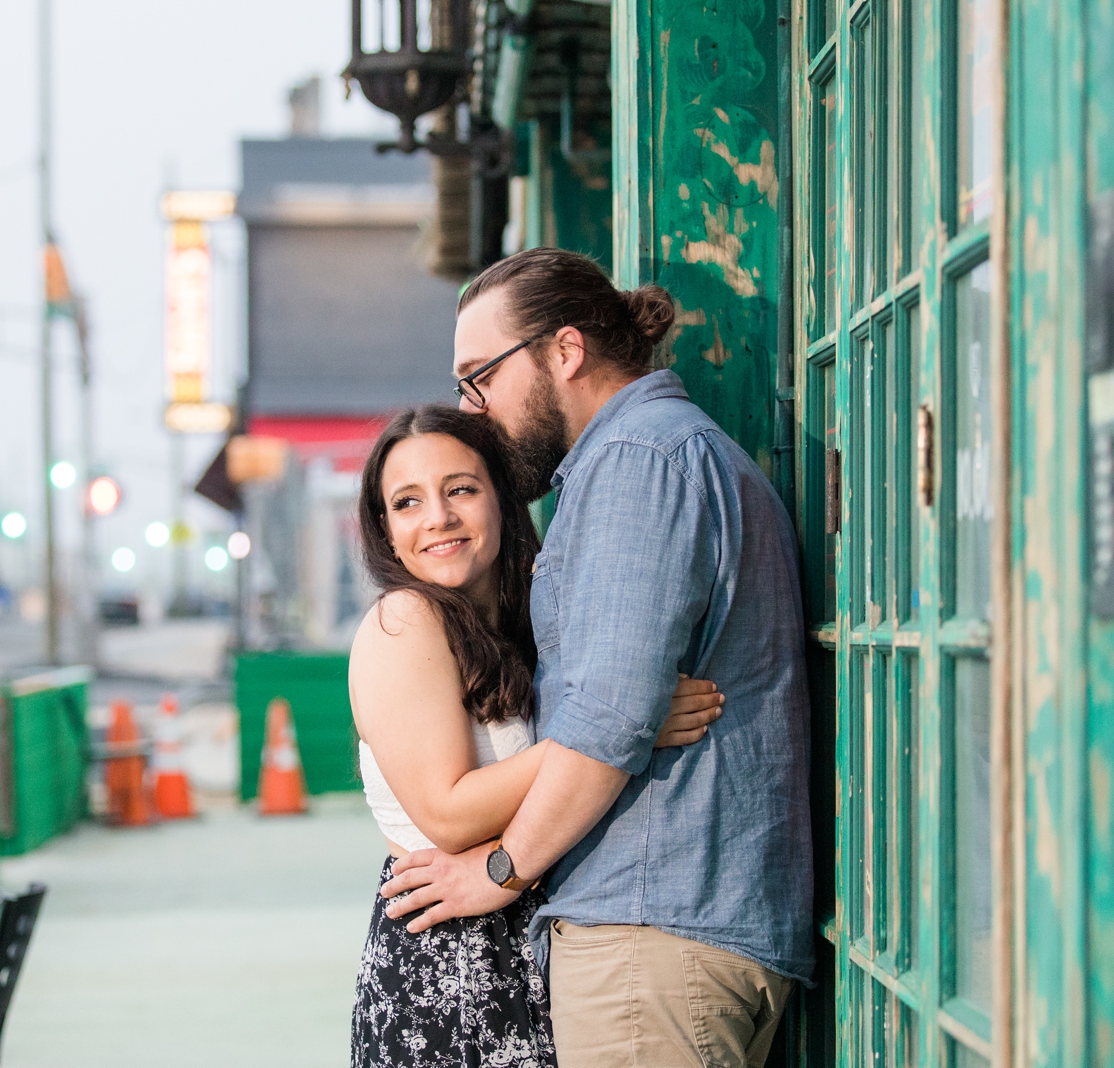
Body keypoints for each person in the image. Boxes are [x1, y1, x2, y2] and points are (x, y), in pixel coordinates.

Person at [379, 249, 813, 1068]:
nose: (474, 410)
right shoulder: (658, 453)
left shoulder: (635, 461)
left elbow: (612, 716)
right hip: (680, 925)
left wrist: (500, 873)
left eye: (482, 376)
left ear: (565, 352)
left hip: (651, 931)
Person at [348, 404, 727, 1068]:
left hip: (529, 932)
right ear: (385, 529)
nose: (437, 517)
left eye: (460, 489)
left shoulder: (528, 618)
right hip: (450, 960)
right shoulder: (403, 622)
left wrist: (615, 723)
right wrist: (620, 724)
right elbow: (447, 811)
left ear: (499, 496)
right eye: (407, 503)